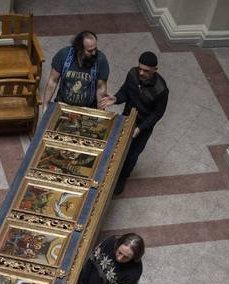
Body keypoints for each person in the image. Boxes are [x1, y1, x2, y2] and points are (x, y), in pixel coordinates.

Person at [100, 51, 169, 195]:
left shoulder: (161, 90)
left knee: (131, 155)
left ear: (155, 70)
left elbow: (157, 113)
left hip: (143, 125)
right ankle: (107, 172)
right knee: (115, 145)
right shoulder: (132, 73)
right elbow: (126, 91)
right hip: (127, 117)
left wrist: (140, 128)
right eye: (140, 69)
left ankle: (121, 179)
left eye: (146, 71)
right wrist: (116, 99)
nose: (142, 73)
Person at [42, 30, 109, 110]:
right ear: (79, 49)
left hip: (88, 109)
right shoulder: (64, 55)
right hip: (62, 106)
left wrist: (100, 114)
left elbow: (101, 88)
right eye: (90, 51)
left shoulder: (101, 60)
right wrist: (45, 105)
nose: (94, 53)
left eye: (95, 49)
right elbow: (53, 81)